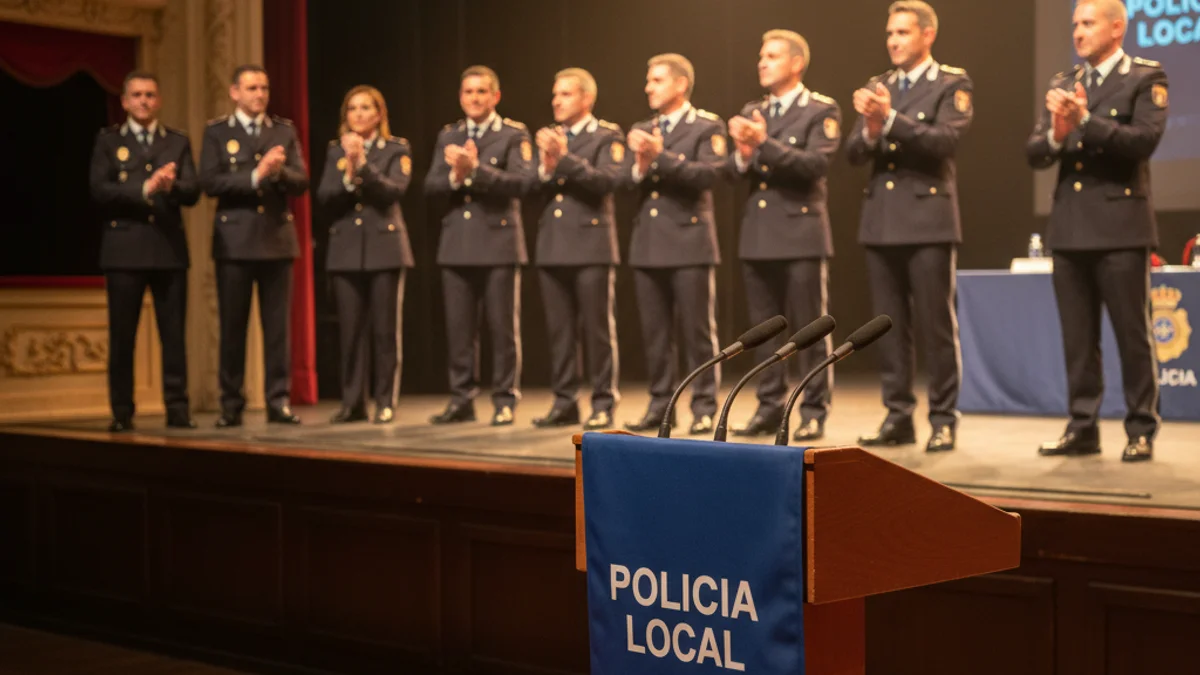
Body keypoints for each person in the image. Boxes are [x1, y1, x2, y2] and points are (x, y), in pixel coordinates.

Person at [1027, 0, 1166, 462]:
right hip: (1069, 229)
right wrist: (1058, 132)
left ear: (1117, 27)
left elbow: (1143, 142)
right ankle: (1082, 426)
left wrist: (1085, 122)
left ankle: (1141, 427)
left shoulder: (1146, 78)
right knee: (1077, 338)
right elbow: (1035, 152)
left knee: (1132, 335)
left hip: (1121, 227)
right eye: (1074, 24)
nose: (1078, 33)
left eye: (1087, 23)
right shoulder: (1064, 83)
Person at [845, 0, 972, 453]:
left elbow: (944, 141)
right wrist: (871, 127)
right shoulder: (879, 85)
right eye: (890, 34)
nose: (894, 41)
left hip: (928, 221)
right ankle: (898, 415)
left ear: (927, 35)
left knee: (936, 325)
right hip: (881, 222)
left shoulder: (951, 82)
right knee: (888, 326)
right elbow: (854, 152)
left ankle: (943, 417)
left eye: (902, 32)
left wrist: (891, 119)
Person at [727, 30, 841, 441]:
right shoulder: (753, 110)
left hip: (800, 233)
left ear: (796, 63)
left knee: (809, 329)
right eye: (761, 55)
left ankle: (813, 409)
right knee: (764, 330)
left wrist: (763, 143)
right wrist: (741, 156)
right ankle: (769, 405)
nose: (762, 62)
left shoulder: (819, 109)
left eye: (772, 56)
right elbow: (732, 172)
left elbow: (814, 165)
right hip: (758, 234)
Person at [622, 53, 728, 435]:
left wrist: (659, 157)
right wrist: (637, 164)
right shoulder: (642, 128)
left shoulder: (705, 126)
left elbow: (709, 175)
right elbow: (622, 181)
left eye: (657, 80)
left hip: (689, 242)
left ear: (680, 84)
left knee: (697, 331)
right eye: (648, 80)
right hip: (649, 243)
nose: (648, 87)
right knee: (655, 334)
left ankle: (704, 405)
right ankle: (660, 405)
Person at [424, 66, 535, 427]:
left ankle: (504, 399)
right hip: (457, 244)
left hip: (499, 242)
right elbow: (430, 187)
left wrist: (476, 170)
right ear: (461, 97)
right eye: (469, 92)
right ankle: (462, 399)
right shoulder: (449, 135)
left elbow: (523, 183)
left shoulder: (512, 134)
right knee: (459, 329)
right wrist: (456, 176)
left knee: (502, 328)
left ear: (495, 97)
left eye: (482, 92)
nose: (475, 98)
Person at [89, 71, 199, 432]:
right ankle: (122, 411)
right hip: (124, 250)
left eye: (150, 95)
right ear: (124, 101)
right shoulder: (108, 141)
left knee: (174, 336)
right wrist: (144, 188)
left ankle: (178, 408)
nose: (144, 101)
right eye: (136, 95)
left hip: (168, 249)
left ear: (159, 100)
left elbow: (193, 191)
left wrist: (171, 186)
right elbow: (100, 191)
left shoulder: (176, 142)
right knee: (123, 336)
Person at [200, 64, 309, 427]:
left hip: (276, 240)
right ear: (235, 92)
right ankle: (231, 404)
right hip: (234, 242)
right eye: (251, 88)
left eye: (264, 87)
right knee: (233, 327)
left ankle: (278, 401)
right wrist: (254, 177)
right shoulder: (218, 132)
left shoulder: (283, 130)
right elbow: (210, 182)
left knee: (277, 329)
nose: (259, 94)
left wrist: (277, 172)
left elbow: (301, 180)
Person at [530, 68, 624, 430]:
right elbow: (530, 188)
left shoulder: (606, 135)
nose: (556, 100)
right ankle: (564, 401)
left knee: (597, 330)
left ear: (586, 98)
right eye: (555, 94)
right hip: (553, 245)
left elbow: (607, 181)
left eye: (565, 94)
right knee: (559, 332)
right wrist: (544, 165)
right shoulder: (550, 138)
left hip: (591, 245)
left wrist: (564, 158)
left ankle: (603, 402)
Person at [317, 85, 414, 425]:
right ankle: (352, 402)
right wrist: (347, 173)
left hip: (385, 249)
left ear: (378, 114)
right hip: (346, 250)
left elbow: (394, 192)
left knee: (386, 331)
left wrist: (362, 166)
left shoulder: (396, 148)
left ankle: (385, 401)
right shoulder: (334, 151)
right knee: (351, 331)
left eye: (365, 108)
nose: (358, 114)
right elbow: (325, 196)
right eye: (352, 109)